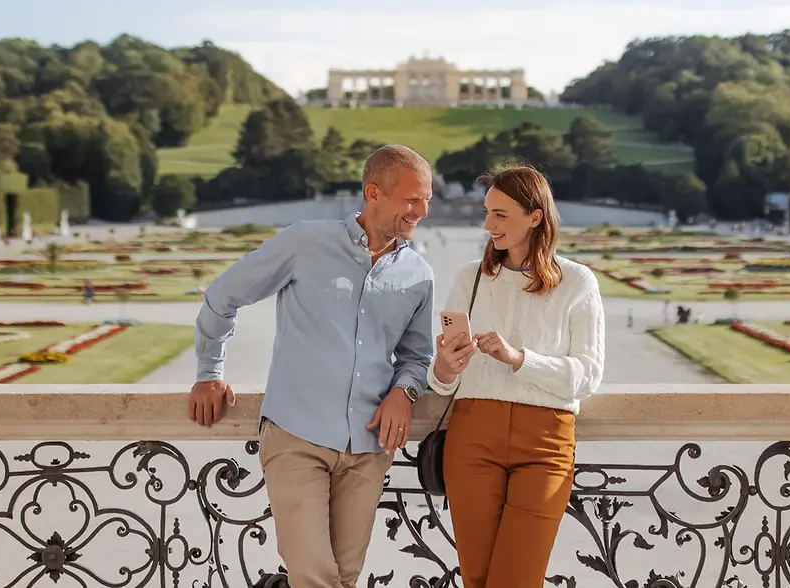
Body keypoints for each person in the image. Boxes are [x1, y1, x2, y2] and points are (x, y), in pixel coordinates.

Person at [187, 145, 437, 588]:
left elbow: (416, 358)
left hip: (368, 446)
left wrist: (406, 391)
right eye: (412, 199)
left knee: (344, 577)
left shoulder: (418, 274)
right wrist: (209, 372)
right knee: (313, 575)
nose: (421, 210)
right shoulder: (305, 242)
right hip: (297, 436)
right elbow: (224, 295)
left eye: (427, 200)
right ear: (373, 192)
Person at [429, 166, 605, 588]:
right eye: (487, 213)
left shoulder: (577, 281)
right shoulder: (469, 277)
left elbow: (588, 375)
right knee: (477, 579)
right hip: (471, 437)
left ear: (536, 217)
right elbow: (442, 383)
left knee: (517, 579)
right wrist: (444, 367)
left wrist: (518, 357)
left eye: (501, 215)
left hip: (545, 444)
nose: (488, 225)